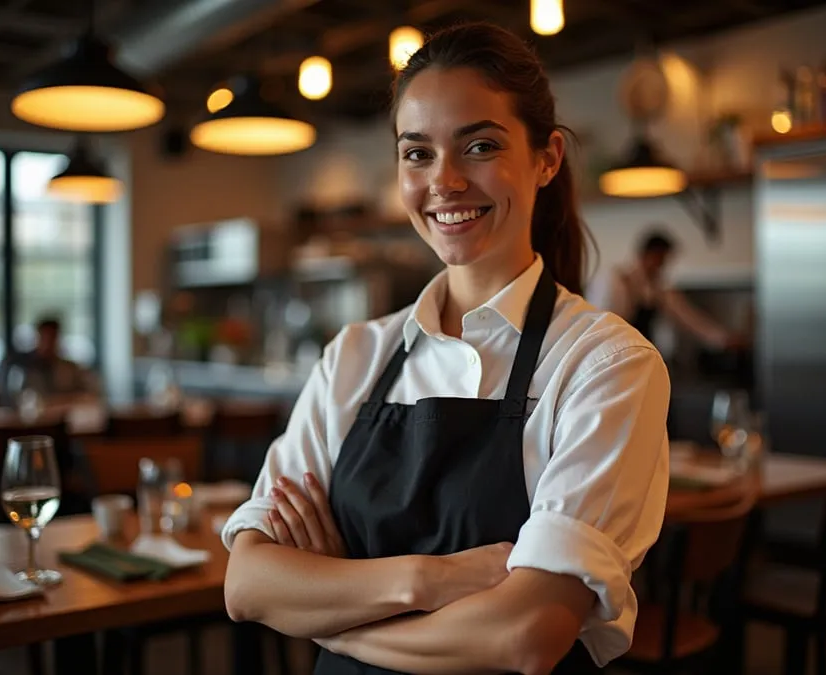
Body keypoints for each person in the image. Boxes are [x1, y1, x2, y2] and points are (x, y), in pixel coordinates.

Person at [222, 22, 670, 674]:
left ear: (546, 158)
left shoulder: (604, 365)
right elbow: (249, 584)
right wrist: (427, 580)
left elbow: (525, 634)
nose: (445, 181)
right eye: (417, 153)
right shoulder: (354, 356)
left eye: (480, 145)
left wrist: (336, 622)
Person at [586, 230, 745, 350]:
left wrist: (723, 339)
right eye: (660, 259)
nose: (662, 266)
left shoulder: (658, 289)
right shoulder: (616, 281)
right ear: (645, 255)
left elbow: (689, 318)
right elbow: (602, 326)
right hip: (613, 354)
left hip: (640, 353)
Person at [0, 316, 99, 407]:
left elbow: (88, 393)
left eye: (53, 338)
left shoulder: (69, 368)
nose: (48, 343)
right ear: (37, 337)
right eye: (45, 337)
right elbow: (15, 399)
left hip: (61, 419)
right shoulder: (22, 366)